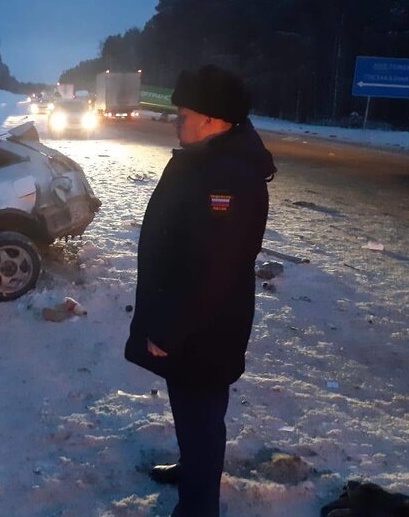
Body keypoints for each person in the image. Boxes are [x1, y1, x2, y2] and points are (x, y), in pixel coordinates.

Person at [125, 64, 276, 517]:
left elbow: (214, 269)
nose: (176, 120)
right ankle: (193, 468)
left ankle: (198, 507)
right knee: (192, 411)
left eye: (183, 113)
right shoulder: (211, 159)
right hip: (196, 323)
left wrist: (168, 329)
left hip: (203, 328)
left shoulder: (226, 176)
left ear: (213, 118)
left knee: (202, 416)